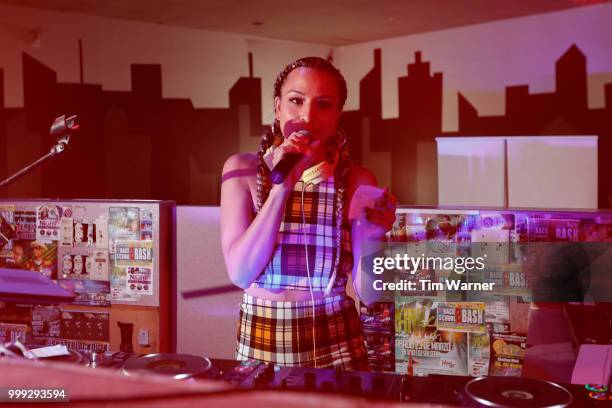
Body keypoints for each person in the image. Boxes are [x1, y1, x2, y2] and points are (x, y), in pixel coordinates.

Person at [220, 57, 397, 370]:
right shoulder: (242, 171)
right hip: (260, 347)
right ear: (277, 107)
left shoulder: (358, 180)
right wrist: (281, 189)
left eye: (324, 104)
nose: (307, 115)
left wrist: (373, 236)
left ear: (338, 114)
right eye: (296, 100)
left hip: (338, 349)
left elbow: (370, 294)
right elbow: (240, 273)